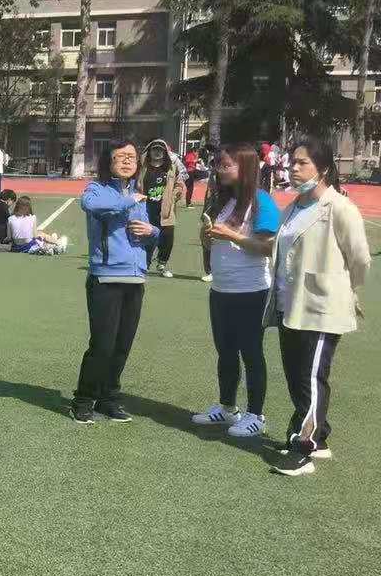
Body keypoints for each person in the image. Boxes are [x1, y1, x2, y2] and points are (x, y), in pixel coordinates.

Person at [265, 139, 370, 476]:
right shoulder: (293, 208)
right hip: (289, 304)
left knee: (311, 377)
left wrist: (343, 289)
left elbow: (360, 259)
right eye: (292, 162)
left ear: (323, 169)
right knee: (297, 376)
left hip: (323, 306)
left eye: (303, 163)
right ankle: (319, 436)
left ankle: (303, 447)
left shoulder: (339, 207)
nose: (294, 168)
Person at [191, 144, 279, 440]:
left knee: (251, 353)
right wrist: (207, 238)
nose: (220, 170)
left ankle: (256, 415)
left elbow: (268, 248)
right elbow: (215, 243)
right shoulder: (225, 201)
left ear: (246, 167)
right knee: (226, 351)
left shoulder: (261, 201)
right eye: (218, 164)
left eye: (226, 165)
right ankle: (228, 407)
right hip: (221, 290)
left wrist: (231, 235)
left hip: (251, 291)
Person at [72, 139, 156, 424]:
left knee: (122, 346)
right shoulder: (98, 189)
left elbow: (150, 234)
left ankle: (108, 399)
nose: (128, 161)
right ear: (108, 162)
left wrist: (152, 231)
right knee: (102, 345)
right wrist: (131, 200)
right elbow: (91, 205)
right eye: (120, 156)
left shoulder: (137, 194)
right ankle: (83, 400)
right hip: (105, 278)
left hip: (135, 278)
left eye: (132, 156)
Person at [139, 139, 184, 277]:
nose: (157, 152)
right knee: (147, 238)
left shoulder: (171, 167)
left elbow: (179, 183)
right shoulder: (142, 167)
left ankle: (162, 264)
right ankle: (144, 264)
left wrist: (174, 195)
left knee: (167, 239)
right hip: (146, 209)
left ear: (165, 152)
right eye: (154, 149)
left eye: (160, 150)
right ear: (149, 151)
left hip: (166, 210)